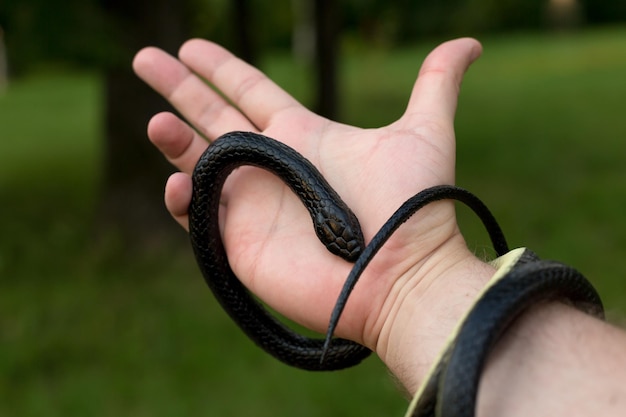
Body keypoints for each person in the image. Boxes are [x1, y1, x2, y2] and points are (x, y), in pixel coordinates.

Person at [133, 38, 626, 416]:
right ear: (327, 215)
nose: (353, 248)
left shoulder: (312, 195)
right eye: (344, 241)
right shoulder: (277, 178)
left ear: (330, 215)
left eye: (346, 237)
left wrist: (416, 281)